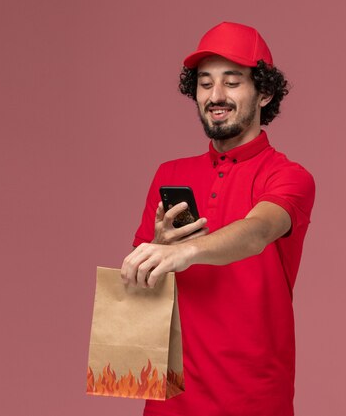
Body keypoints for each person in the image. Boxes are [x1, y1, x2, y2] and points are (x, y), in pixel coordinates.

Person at [121, 21, 315, 416]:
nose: (216, 96)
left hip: (252, 399)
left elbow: (258, 231)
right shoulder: (168, 174)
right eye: (205, 83)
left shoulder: (289, 176)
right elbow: (140, 292)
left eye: (232, 81)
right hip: (169, 398)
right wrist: (157, 249)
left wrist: (186, 252)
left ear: (265, 92)